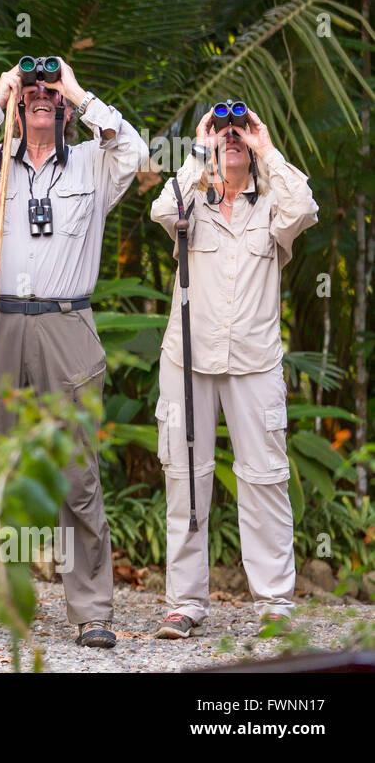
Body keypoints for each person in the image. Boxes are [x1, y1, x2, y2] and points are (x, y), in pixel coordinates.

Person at [0, 59, 144, 648]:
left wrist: (77, 90)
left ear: (66, 107)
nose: (39, 96)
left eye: (49, 92)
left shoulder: (90, 164)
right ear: (16, 106)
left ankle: (92, 610)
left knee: (76, 473)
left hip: (65, 324)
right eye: (31, 91)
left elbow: (134, 150)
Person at [150, 107, 317, 639]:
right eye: (224, 131)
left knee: (265, 478)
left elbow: (305, 206)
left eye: (239, 130)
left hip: (254, 361)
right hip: (188, 359)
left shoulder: (273, 206)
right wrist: (199, 150)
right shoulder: (188, 201)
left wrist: (265, 146)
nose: (232, 135)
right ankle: (184, 602)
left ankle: (274, 602)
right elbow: (161, 208)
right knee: (184, 478)